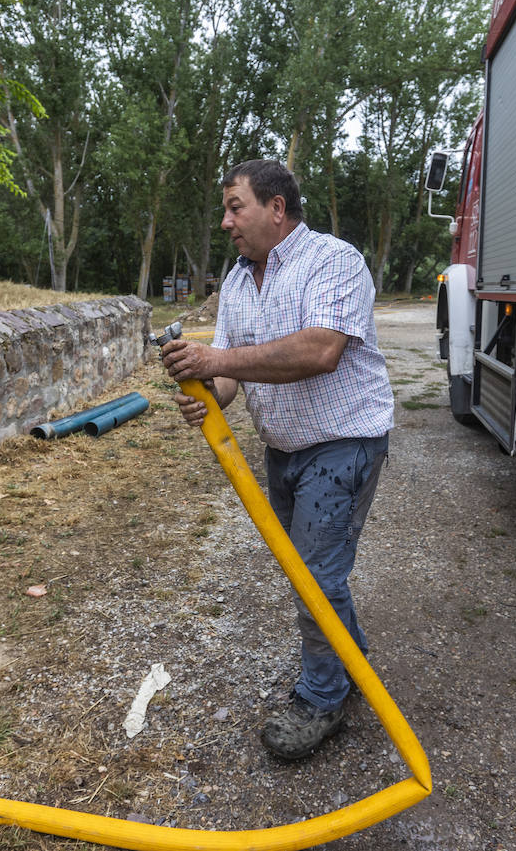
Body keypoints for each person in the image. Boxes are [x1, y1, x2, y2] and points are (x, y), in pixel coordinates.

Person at [158, 159, 393, 760]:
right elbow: (237, 373)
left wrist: (217, 363)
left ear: (277, 209)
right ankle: (351, 664)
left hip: (344, 441)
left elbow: (320, 351)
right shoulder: (238, 283)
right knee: (312, 572)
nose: (225, 221)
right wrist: (209, 392)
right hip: (284, 449)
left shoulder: (334, 260)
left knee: (314, 574)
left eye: (236, 207)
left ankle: (322, 697)